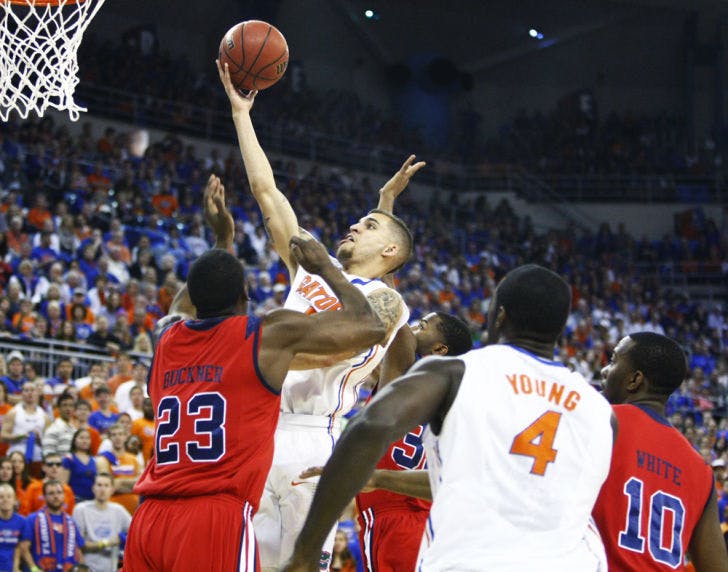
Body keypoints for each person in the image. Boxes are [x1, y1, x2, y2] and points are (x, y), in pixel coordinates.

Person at [123, 175, 385, 571]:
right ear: (245, 296)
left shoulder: (165, 338)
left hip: (148, 518)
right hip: (213, 516)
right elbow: (369, 327)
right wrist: (325, 271)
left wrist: (221, 241)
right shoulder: (262, 337)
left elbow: (187, 302)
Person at [283, 264, 617, 571]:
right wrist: (383, 478)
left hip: (472, 556)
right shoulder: (600, 411)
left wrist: (306, 553)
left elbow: (372, 425)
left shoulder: (460, 373)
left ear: (499, 315)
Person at [219, 62, 417, 570]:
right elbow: (268, 194)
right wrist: (242, 114)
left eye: (368, 224)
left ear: (390, 249)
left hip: (313, 436)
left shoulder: (386, 300)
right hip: (260, 429)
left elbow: (347, 343)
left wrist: (260, 358)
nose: (354, 224)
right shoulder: (308, 269)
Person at [593, 332, 728, 570]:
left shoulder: (603, 419)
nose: (605, 370)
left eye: (613, 361)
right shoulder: (699, 468)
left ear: (634, 380)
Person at [17, 480, 84, 571]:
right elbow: (23, 547)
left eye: (59, 493)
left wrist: (82, 567)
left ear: (63, 496)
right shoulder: (32, 519)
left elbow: (78, 550)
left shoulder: (71, 521)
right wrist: (33, 568)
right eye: (51, 493)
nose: (56, 496)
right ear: (44, 497)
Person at [73, 473, 131, 572]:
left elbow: (136, 531)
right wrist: (107, 543)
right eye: (99, 485)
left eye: (106, 485)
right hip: (87, 568)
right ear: (93, 488)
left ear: (112, 490)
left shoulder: (118, 510)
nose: (102, 489)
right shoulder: (81, 509)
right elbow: (79, 544)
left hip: (111, 568)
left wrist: (125, 539)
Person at [1, 381, 50, 477]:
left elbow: (48, 442)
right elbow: (3, 436)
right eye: (26, 390)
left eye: (32, 390)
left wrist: (39, 439)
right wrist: (21, 436)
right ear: (22, 394)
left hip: (37, 458)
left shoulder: (44, 416)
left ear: (37, 393)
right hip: (16, 457)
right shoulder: (13, 413)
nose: (29, 393)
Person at [94, 424, 139, 515]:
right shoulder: (103, 459)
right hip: (112, 509)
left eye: (120, 434)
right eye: (114, 435)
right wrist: (132, 485)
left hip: (134, 509)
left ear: (126, 437)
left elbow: (140, 483)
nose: (117, 438)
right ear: (110, 438)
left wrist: (120, 482)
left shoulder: (134, 459)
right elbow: (107, 485)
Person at [62, 429, 97, 502]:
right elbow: (63, 484)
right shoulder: (69, 459)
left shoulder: (95, 460)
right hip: (75, 499)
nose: (85, 441)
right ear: (75, 440)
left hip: (92, 500)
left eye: (87, 438)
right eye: (81, 438)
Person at [42, 392, 76, 458]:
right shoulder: (53, 429)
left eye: (71, 405)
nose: (68, 409)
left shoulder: (74, 429)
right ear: (58, 408)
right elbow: (47, 455)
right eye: (64, 405)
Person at [0, 482, 25, 572]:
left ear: (15, 500)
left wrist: (15, 567)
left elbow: (20, 547)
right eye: (1, 497)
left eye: (9, 497)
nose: (5, 500)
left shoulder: (22, 522)